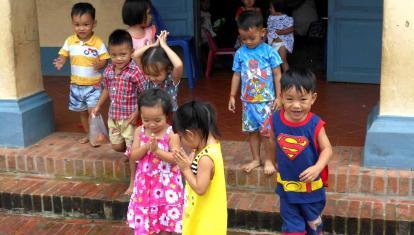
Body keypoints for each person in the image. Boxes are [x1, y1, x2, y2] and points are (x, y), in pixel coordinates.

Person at [269, 69, 332, 235]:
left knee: (313, 226)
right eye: (289, 99)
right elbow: (271, 141)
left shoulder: (315, 124)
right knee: (292, 228)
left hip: (312, 193)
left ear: (313, 98)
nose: (296, 105)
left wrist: (317, 167)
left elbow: (327, 149)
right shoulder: (275, 120)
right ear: (281, 96)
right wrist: (269, 160)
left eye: (303, 99)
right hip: (287, 190)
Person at [228, 10, 282, 174]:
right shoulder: (240, 53)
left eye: (252, 38)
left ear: (263, 32)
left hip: (266, 102)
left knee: (267, 133)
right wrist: (232, 96)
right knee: (252, 132)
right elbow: (237, 75)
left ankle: (270, 161)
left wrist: (279, 96)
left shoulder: (269, 52)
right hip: (247, 102)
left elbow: (277, 74)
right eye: (243, 39)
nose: (248, 42)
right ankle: (255, 159)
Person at [126, 89, 184, 235]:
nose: (151, 125)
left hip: (166, 185)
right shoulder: (139, 131)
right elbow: (133, 156)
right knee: (147, 222)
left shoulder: (172, 134)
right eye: (146, 120)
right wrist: (146, 147)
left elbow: (175, 158)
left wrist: (157, 150)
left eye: (157, 120)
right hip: (145, 184)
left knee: (166, 220)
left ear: (167, 115)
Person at [53, 2, 110, 145]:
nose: (81, 28)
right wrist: (61, 61)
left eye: (86, 24)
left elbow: (105, 60)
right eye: (77, 25)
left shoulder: (98, 43)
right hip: (76, 86)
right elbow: (64, 54)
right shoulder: (70, 41)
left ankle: (97, 136)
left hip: (93, 86)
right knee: (82, 112)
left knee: (93, 111)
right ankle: (88, 134)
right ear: (72, 24)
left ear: (94, 23)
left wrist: (101, 64)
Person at [172, 101, 227, 235]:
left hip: (205, 223)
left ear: (190, 134)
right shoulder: (210, 146)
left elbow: (200, 188)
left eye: (181, 137)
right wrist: (191, 164)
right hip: (205, 218)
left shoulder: (205, 158)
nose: (182, 142)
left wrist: (185, 169)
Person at [92, 29, 146, 153]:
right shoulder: (108, 71)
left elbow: (144, 93)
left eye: (123, 54)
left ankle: (133, 159)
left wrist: (137, 111)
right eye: (114, 55)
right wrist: (98, 106)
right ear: (109, 53)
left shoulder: (135, 72)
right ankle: (129, 152)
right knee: (116, 146)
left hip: (129, 117)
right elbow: (106, 88)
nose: (118, 59)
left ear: (131, 52)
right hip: (114, 116)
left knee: (132, 144)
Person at [133, 30, 183, 112]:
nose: (151, 78)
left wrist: (164, 46)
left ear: (168, 69)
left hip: (168, 117)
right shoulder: (148, 77)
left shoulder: (171, 80)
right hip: (151, 115)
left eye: (156, 75)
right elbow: (135, 55)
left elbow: (178, 65)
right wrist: (153, 45)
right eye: (148, 74)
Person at [267, 0, 294, 72]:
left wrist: (281, 32)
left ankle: (288, 79)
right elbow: (269, 30)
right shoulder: (270, 18)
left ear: (278, 8)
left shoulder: (286, 18)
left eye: (271, 8)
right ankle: (275, 78)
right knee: (274, 63)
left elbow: (291, 29)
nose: (269, 9)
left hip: (282, 43)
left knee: (283, 60)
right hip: (273, 43)